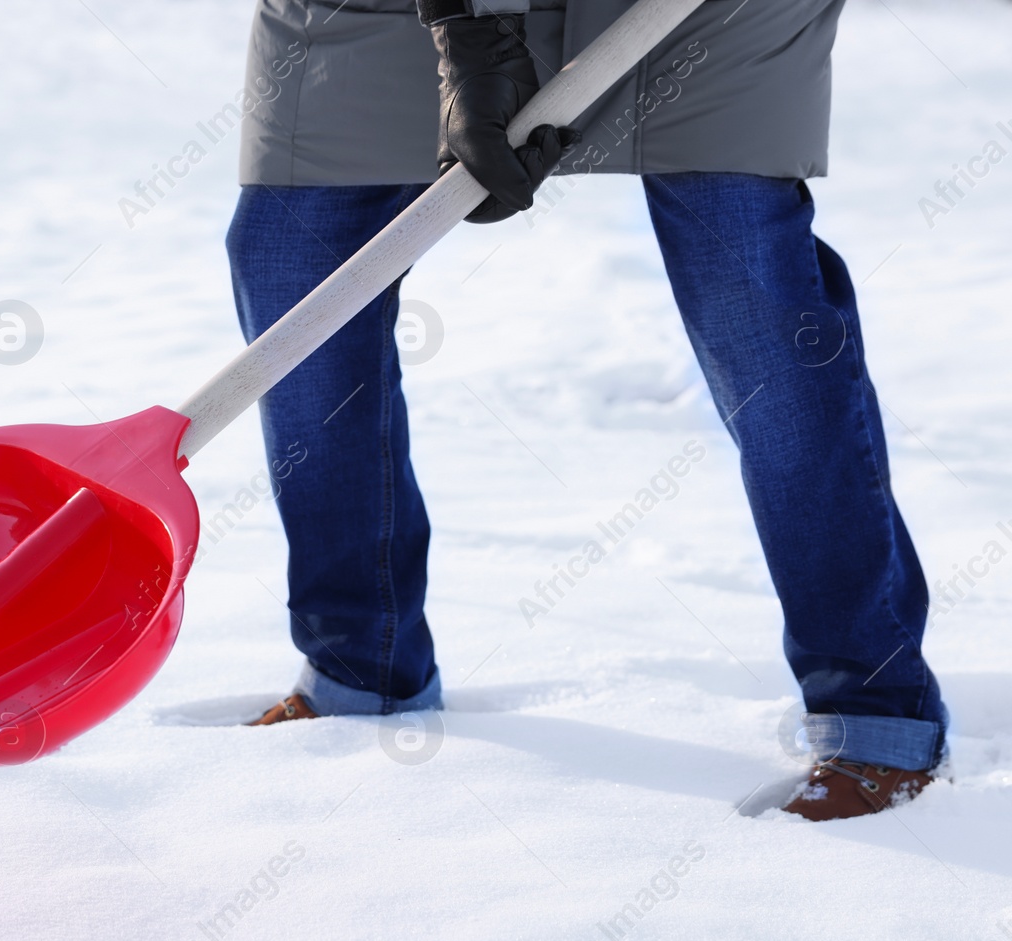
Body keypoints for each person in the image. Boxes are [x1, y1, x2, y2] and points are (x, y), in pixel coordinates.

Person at [230, 0, 946, 821]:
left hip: (698, 16)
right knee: (292, 259)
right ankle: (359, 664)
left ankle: (876, 708)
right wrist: (474, 35)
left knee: (753, 304)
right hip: (387, 13)